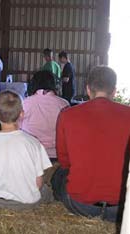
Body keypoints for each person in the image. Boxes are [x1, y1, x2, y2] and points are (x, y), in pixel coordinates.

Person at [50, 66, 130, 222]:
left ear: (87, 89)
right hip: (122, 207)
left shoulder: (67, 115)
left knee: (58, 175)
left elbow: (64, 161)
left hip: (81, 204)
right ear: (114, 91)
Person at [0, 91, 53, 210]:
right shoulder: (33, 143)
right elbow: (38, 182)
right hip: (26, 202)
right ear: (22, 114)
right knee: (46, 191)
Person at [20, 71, 69, 161]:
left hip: (30, 156)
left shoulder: (26, 103)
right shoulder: (63, 104)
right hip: (56, 157)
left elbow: (17, 127)